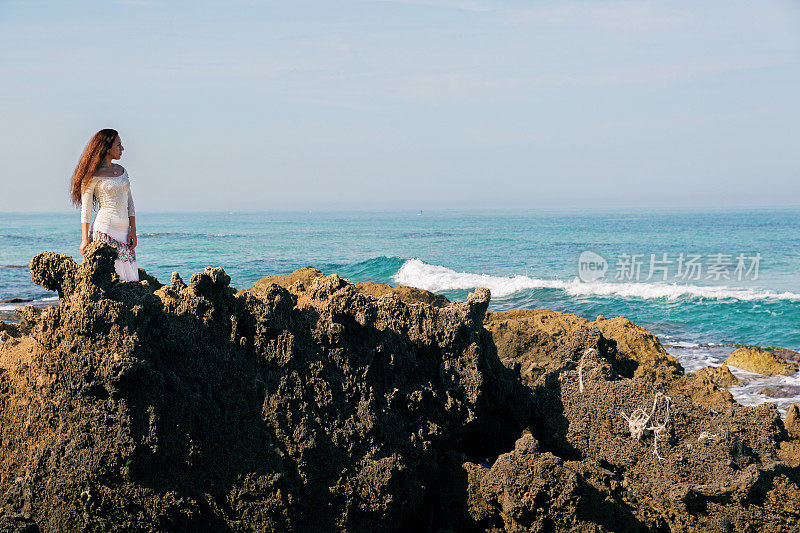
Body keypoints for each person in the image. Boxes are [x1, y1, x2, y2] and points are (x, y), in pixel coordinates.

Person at [69, 128, 139, 282]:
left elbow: (130, 203)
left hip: (125, 233)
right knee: (111, 279)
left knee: (130, 281)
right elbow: (86, 209)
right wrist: (85, 238)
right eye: (118, 145)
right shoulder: (91, 175)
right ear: (107, 148)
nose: (122, 149)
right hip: (104, 230)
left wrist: (133, 230)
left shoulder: (122, 171)